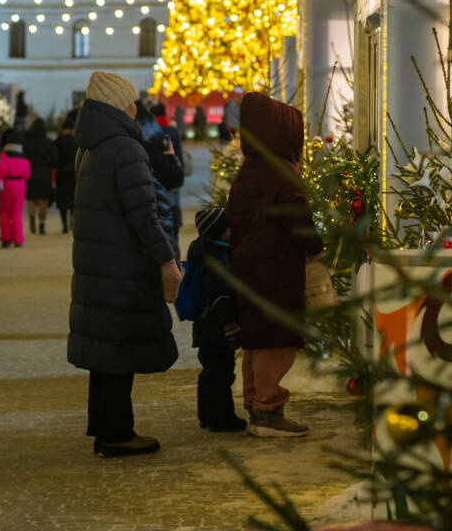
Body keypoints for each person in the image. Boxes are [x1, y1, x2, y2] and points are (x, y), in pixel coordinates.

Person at [68, 71, 179, 459]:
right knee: (119, 348)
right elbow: (144, 215)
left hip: (98, 263)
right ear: (123, 107)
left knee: (105, 349)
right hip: (122, 266)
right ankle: (118, 433)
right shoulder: (125, 148)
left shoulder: (89, 146)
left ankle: (104, 426)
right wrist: (167, 259)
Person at [227, 92, 323, 437]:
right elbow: (298, 222)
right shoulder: (283, 173)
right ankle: (269, 411)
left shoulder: (249, 170)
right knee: (276, 342)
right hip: (277, 271)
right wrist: (317, 246)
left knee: (256, 340)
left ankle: (256, 405)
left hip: (249, 268)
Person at [186, 207, 246, 432]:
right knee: (222, 374)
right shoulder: (217, 260)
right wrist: (229, 325)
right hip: (216, 327)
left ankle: (207, 416)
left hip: (204, 327)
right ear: (221, 232)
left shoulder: (203, 253)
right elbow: (220, 296)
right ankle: (222, 419)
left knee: (209, 374)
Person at [135, 101, 184, 258]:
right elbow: (176, 178)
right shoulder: (159, 141)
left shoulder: (127, 148)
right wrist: (172, 157)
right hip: (163, 213)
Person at [151, 102, 184, 239]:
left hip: (157, 175)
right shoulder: (172, 130)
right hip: (173, 170)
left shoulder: (152, 132)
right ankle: (176, 222)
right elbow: (179, 153)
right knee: (174, 201)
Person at [0, 135, 31, 248]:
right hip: (20, 185)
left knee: (4, 212)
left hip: (7, 186)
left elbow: (0, 173)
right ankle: (18, 239)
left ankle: (6, 238)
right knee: (17, 213)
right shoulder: (24, 158)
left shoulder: (5, 158)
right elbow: (27, 175)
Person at [23, 118, 56, 234]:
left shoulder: (27, 142)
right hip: (44, 173)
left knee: (30, 198)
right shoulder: (48, 142)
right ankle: (42, 224)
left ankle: (31, 217)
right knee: (43, 200)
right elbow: (55, 159)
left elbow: (23, 156)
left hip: (29, 172)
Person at [53, 111, 78, 233]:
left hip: (61, 174)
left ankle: (64, 226)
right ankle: (72, 222)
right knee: (73, 199)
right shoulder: (77, 142)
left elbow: (54, 158)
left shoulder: (58, 141)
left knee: (62, 201)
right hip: (74, 173)